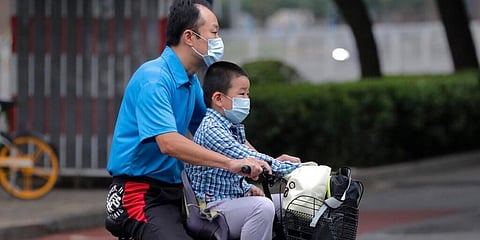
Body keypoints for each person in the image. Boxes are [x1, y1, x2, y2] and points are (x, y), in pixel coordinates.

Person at [104, 1, 270, 239]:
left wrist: (265, 161)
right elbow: (168, 142)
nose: (218, 40)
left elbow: (221, 134)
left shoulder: (189, 81)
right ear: (190, 37)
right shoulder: (154, 79)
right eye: (213, 33)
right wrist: (230, 163)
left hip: (180, 192)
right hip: (139, 193)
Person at [185, 61, 302, 240]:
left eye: (248, 94)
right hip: (212, 209)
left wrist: (247, 188)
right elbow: (249, 157)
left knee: (294, 203)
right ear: (218, 98)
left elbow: (230, 173)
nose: (246, 99)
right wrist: (299, 169)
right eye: (241, 94)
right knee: (262, 208)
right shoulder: (212, 129)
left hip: (231, 200)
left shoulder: (230, 126)